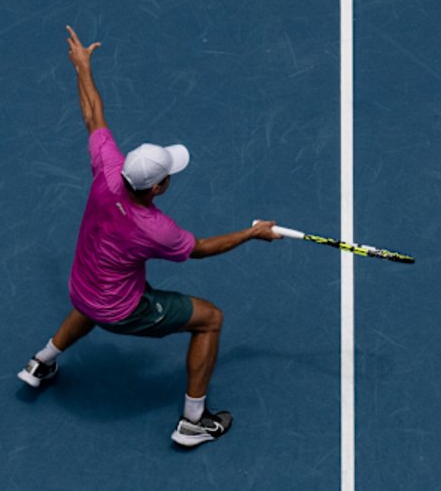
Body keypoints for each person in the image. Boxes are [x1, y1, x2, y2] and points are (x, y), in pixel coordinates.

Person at [17, 26, 282, 446]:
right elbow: (201, 249)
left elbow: (93, 115)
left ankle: (40, 363)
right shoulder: (156, 229)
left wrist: (82, 67)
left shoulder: (107, 172)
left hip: (82, 286)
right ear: (157, 187)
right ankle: (194, 421)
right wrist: (252, 233)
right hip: (120, 308)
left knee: (94, 300)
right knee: (210, 319)